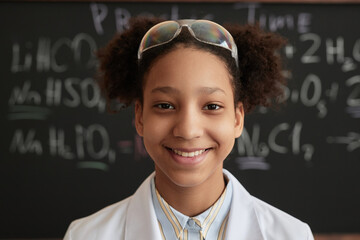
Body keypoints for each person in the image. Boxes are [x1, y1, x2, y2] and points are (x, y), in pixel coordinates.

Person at [64, 17, 314, 240]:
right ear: (139, 117)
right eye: (165, 105)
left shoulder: (292, 235)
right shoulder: (85, 235)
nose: (187, 129)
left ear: (238, 118)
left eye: (212, 106)